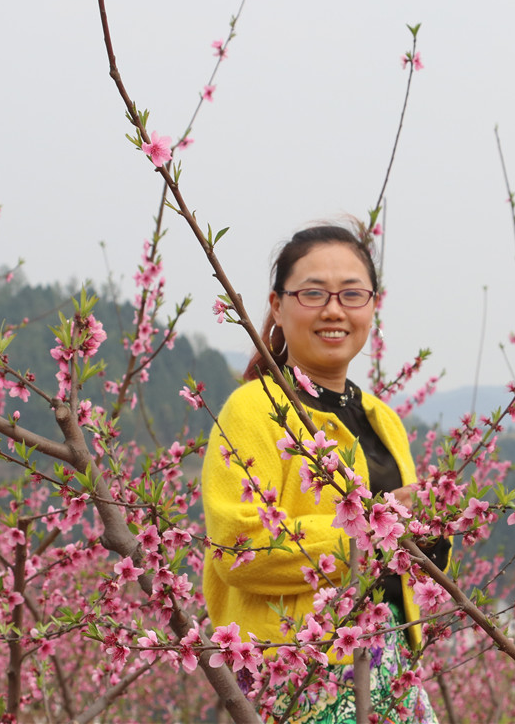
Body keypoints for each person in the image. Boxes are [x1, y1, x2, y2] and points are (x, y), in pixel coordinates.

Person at [202, 223, 446, 723]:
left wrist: (432, 532)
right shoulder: (252, 409)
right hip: (298, 676)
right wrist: (372, 530)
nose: (334, 310)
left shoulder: (383, 419)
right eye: (313, 293)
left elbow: (405, 557)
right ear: (276, 304)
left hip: (392, 664)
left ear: (373, 305)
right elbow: (238, 547)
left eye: (352, 294)